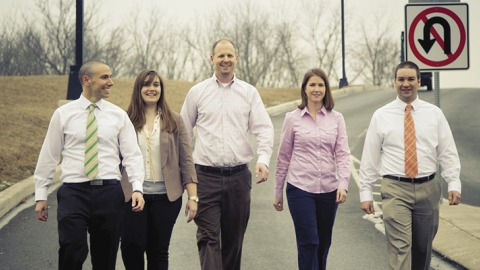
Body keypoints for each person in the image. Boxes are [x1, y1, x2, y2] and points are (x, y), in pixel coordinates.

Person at [34, 60, 145, 270]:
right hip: (73, 193)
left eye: (110, 77)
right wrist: (41, 194)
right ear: (86, 80)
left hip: (109, 193)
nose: (111, 82)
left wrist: (137, 187)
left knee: (105, 258)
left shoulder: (118, 116)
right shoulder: (63, 114)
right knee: (71, 248)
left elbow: (132, 155)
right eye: (105, 77)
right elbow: (49, 155)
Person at [180, 38, 274, 270]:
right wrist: (185, 173)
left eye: (230, 56)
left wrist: (263, 160)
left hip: (238, 179)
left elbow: (264, 129)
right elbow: (183, 134)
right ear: (212, 59)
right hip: (205, 179)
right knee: (208, 237)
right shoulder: (197, 92)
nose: (225, 60)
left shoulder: (249, 93)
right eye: (220, 56)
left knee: (233, 242)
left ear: (236, 59)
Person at [359, 61, 461, 270]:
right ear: (394, 82)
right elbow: (370, 156)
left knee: (423, 249)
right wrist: (366, 191)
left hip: (428, 188)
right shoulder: (381, 115)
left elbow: (447, 151)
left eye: (410, 79)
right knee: (400, 248)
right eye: (401, 79)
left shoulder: (434, 114)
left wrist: (453, 183)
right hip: (395, 189)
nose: (406, 84)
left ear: (419, 82)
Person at [120, 69, 198, 270]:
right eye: (146, 84)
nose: (151, 89)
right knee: (131, 247)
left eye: (156, 85)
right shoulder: (124, 120)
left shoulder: (175, 120)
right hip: (132, 195)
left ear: (161, 89)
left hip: (166, 197)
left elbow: (186, 160)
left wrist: (193, 197)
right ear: (139, 89)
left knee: (158, 250)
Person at [273, 68, 350, 270]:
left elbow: (342, 154)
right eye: (312, 85)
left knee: (323, 245)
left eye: (321, 85)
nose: (317, 89)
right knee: (309, 243)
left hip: (329, 190)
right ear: (305, 89)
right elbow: (283, 157)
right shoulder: (293, 118)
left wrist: (343, 184)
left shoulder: (336, 118)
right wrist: (278, 191)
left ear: (326, 89)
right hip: (300, 189)